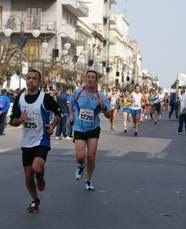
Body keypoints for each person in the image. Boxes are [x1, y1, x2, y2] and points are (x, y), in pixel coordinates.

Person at [9, 70, 62, 213]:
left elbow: (59, 114)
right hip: (26, 142)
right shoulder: (20, 98)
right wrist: (19, 120)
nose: (31, 81)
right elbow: (12, 121)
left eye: (34, 78)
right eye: (29, 78)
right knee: (27, 174)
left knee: (36, 168)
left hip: (42, 139)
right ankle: (35, 200)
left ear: (40, 82)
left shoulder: (46, 98)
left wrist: (53, 124)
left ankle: (41, 177)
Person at [68, 70, 111, 191]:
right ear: (85, 79)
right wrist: (71, 115)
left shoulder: (100, 96)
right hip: (79, 128)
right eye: (88, 77)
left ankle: (88, 180)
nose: (90, 79)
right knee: (80, 156)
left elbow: (109, 115)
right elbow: (71, 104)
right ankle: (81, 166)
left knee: (91, 157)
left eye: (93, 77)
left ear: (96, 81)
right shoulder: (78, 92)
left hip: (93, 128)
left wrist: (103, 107)